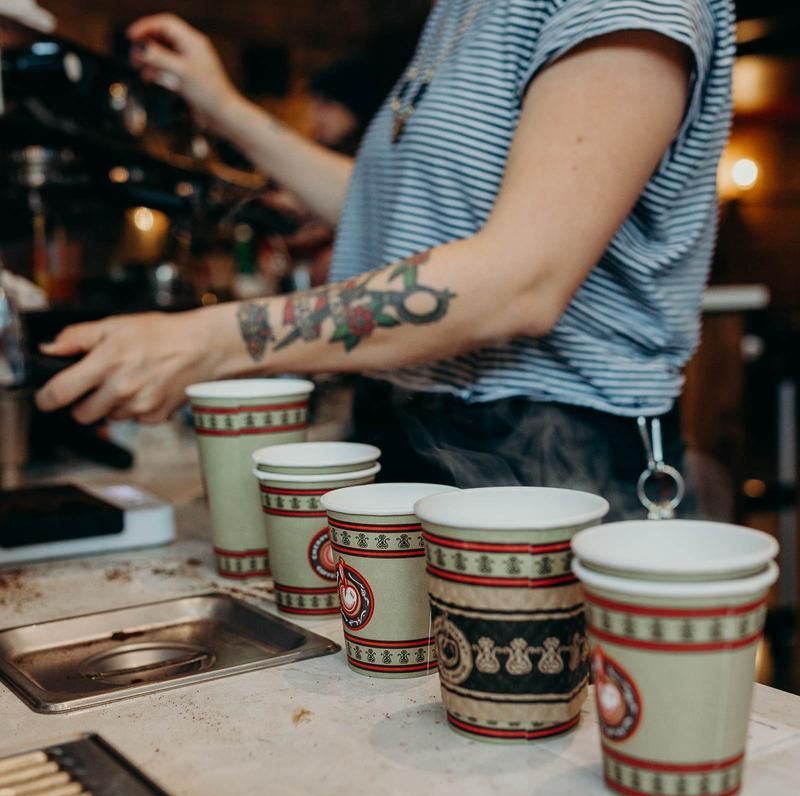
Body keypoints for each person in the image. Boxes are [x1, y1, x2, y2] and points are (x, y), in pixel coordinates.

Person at [35, 1, 735, 520]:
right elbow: (406, 217)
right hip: (416, 433)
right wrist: (223, 110)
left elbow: (522, 280)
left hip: (551, 462)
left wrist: (210, 338)